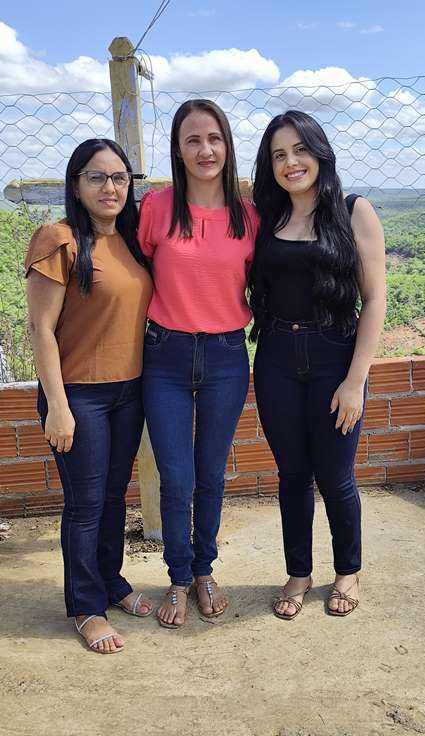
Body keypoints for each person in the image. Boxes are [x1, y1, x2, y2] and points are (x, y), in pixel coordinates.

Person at [249, 110, 386, 619]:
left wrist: (355, 381)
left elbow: (375, 299)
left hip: (336, 356)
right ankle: (299, 573)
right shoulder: (266, 216)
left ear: (320, 152)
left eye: (300, 150)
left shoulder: (354, 211)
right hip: (276, 358)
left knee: (335, 475)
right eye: (279, 155)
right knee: (292, 475)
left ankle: (348, 570)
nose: (291, 162)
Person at [25, 139, 154, 653]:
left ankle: (111, 581)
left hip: (130, 391)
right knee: (85, 505)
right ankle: (85, 606)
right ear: (76, 184)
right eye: (96, 177)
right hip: (79, 395)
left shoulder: (130, 239)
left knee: (115, 497)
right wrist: (57, 406)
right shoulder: (59, 240)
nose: (110, 187)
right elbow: (40, 330)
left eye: (119, 177)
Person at [138, 99, 258, 629]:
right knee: (176, 475)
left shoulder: (248, 216)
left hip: (227, 355)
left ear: (227, 145)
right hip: (164, 355)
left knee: (210, 472)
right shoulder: (156, 209)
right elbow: (136, 274)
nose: (205, 149)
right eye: (193, 140)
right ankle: (178, 576)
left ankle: (204, 570)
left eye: (214, 138)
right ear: (178, 149)